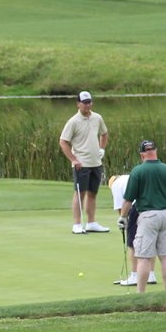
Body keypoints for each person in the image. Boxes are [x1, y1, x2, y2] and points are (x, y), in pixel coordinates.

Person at [120, 139, 166, 293]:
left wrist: (122, 217)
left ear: (142, 155)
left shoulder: (137, 171)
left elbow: (128, 200)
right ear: (155, 152)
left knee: (143, 257)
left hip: (148, 216)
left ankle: (141, 295)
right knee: (165, 256)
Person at [59, 91, 110, 234]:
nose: (88, 105)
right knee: (80, 194)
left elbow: (104, 133)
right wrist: (74, 160)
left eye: (89, 102)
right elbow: (63, 142)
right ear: (78, 104)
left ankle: (91, 222)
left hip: (96, 162)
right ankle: (76, 224)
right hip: (81, 163)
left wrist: (102, 149)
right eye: (85, 102)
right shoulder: (73, 121)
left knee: (93, 193)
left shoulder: (97, 118)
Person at [109, 172, 155, 286]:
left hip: (136, 206)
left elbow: (122, 209)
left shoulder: (116, 186)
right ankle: (150, 275)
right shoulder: (127, 178)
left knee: (132, 243)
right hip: (152, 204)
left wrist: (124, 224)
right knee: (149, 239)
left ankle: (135, 276)